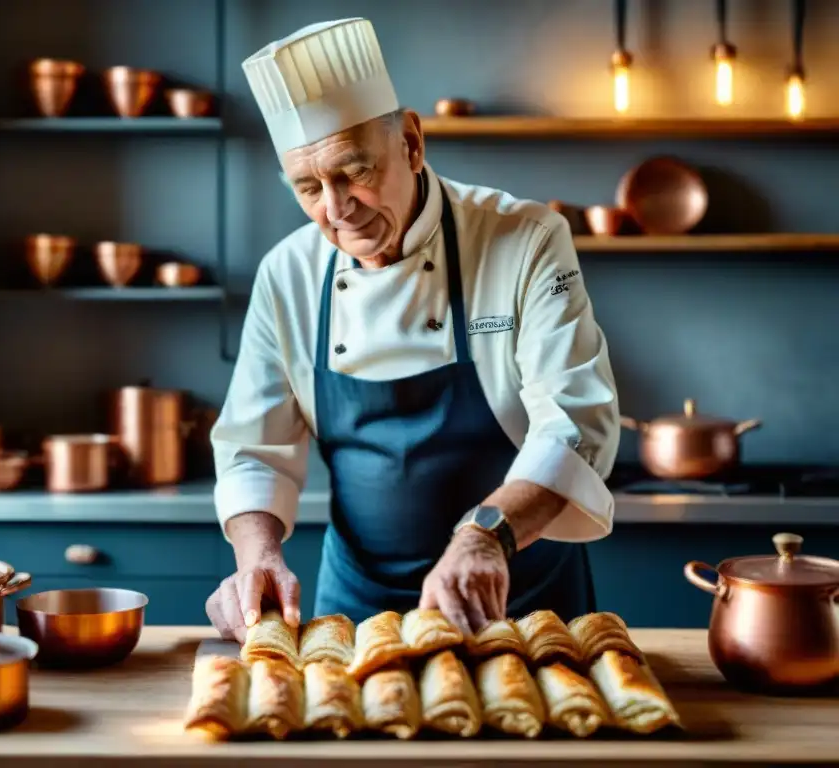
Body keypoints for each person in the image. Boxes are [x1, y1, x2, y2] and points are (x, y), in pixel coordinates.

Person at [205, 18, 620, 642]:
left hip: (519, 601)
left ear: (411, 143)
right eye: (309, 187)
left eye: (354, 172)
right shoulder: (287, 274)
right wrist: (256, 556)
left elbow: (575, 420)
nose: (338, 209)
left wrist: (485, 536)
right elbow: (252, 448)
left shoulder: (526, 240)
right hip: (355, 611)